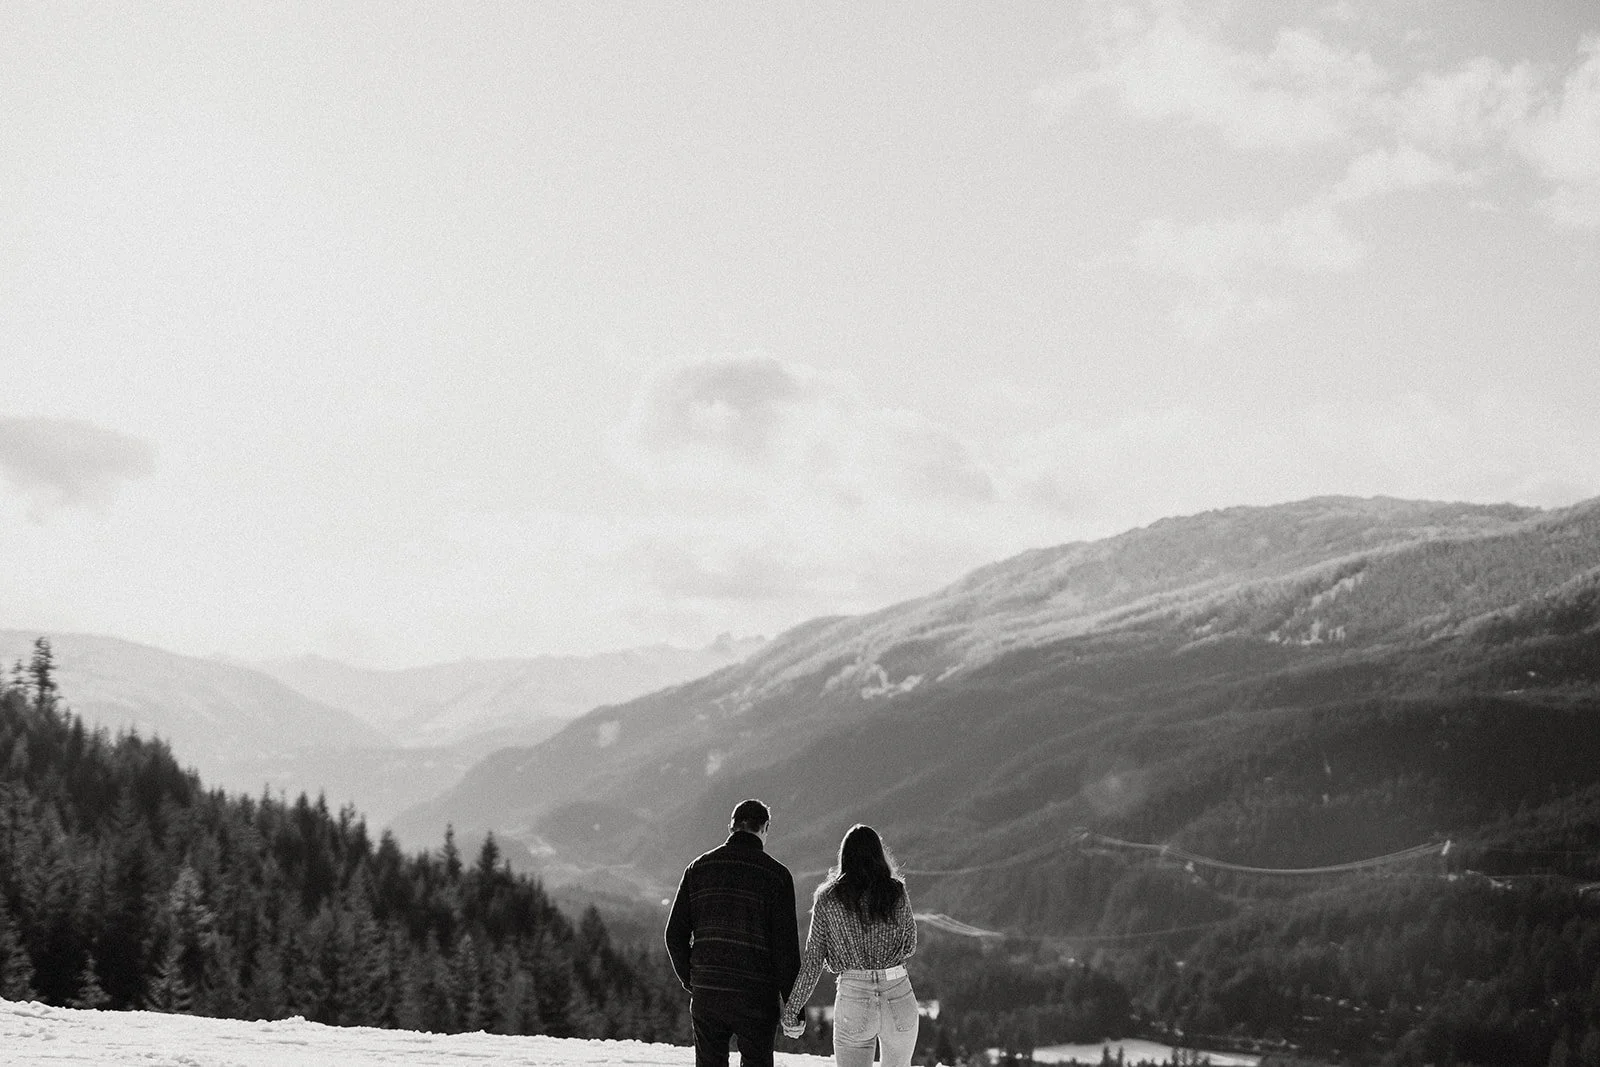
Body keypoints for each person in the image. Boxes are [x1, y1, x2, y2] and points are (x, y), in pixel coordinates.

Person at [665, 799, 801, 1067]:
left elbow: (674, 935)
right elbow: (785, 949)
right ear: (765, 828)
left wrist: (692, 980)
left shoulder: (697, 868)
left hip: (708, 991)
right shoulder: (777, 876)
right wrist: (793, 1004)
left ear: (731, 827)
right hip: (757, 997)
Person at [780, 824, 920, 1067]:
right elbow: (910, 945)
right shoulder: (896, 891)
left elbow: (813, 961)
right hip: (898, 993)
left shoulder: (827, 898)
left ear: (844, 856)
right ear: (879, 854)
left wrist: (792, 1010)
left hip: (854, 996)